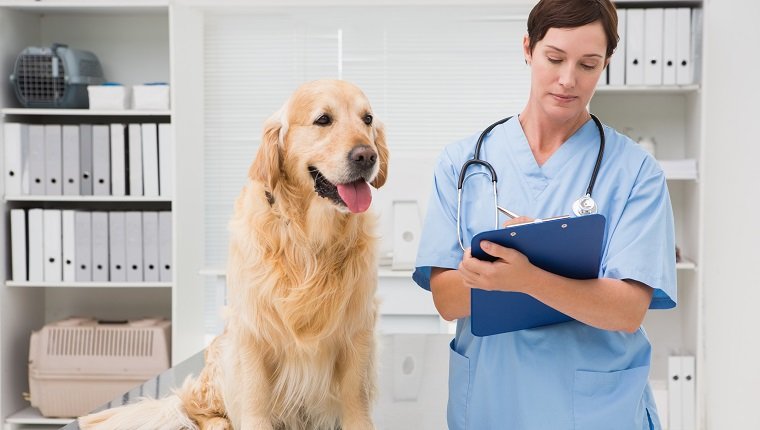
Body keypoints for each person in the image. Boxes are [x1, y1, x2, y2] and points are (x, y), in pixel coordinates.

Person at [412, 0, 677, 428]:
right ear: (528, 49)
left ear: (606, 64)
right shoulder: (463, 164)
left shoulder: (636, 173)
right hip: (493, 402)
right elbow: (447, 298)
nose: (567, 80)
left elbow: (626, 310)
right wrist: (539, 276)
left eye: (588, 65)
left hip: (595, 411)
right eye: (554, 58)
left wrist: (527, 276)